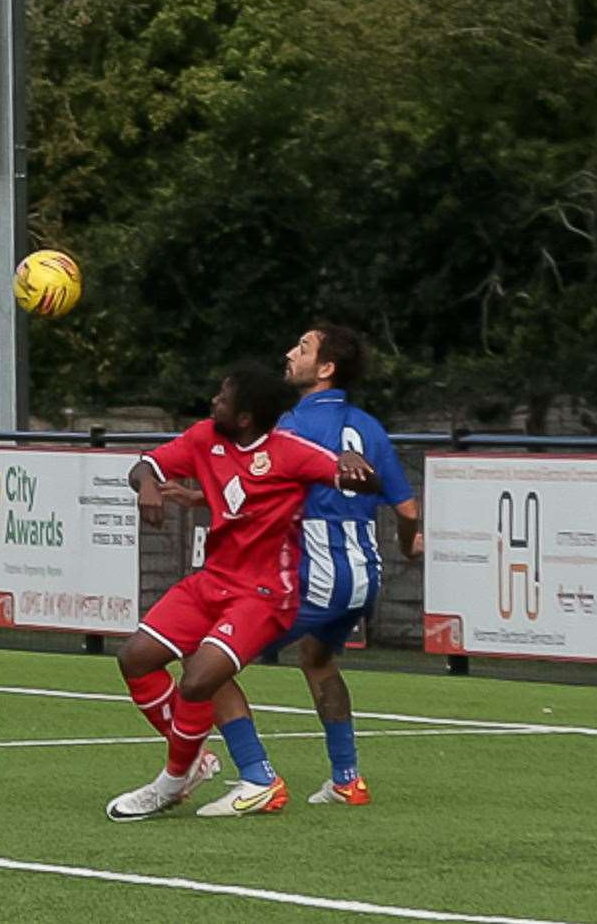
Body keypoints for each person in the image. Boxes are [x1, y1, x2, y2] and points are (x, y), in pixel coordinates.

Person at [106, 362, 378, 822]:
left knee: (199, 679)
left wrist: (355, 467)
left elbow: (363, 482)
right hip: (211, 580)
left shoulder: (288, 452)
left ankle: (180, 780)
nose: (214, 401)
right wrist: (147, 485)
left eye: (224, 397)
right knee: (134, 657)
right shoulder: (202, 438)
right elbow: (145, 465)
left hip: (264, 593)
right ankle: (203, 763)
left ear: (247, 416)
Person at [192, 325, 421, 817]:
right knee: (317, 659)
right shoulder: (370, 427)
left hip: (314, 571)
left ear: (325, 368)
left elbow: (251, 485)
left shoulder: (291, 426)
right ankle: (347, 780)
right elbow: (407, 511)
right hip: (365, 575)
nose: (289, 353)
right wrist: (410, 546)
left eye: (302, 348)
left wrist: (199, 494)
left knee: (204, 662)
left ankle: (257, 778)